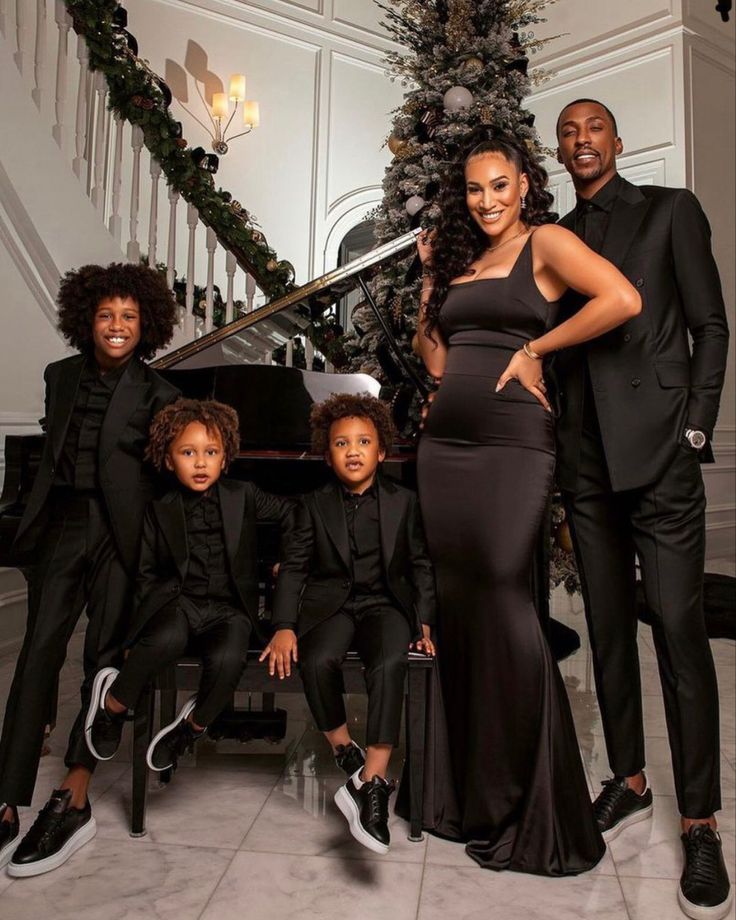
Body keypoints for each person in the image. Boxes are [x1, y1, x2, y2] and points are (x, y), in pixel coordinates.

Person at [414, 133, 641, 876]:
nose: (486, 201)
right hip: (444, 448)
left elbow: (621, 299)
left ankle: (536, 809)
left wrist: (538, 350)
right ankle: (468, 798)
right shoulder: (460, 264)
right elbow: (439, 359)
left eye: (499, 186)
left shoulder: (544, 242)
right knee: (461, 611)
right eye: (475, 189)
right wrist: (425, 285)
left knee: (509, 606)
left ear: (523, 185)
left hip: (513, 446)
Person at [554, 98, 731, 918]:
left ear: (617, 144)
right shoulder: (551, 237)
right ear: (557, 153)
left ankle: (700, 822)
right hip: (584, 462)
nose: (580, 140)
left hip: (661, 457)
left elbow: (711, 324)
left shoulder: (669, 212)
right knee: (608, 631)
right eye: (566, 131)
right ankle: (626, 779)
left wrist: (695, 428)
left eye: (592, 128)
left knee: (680, 632)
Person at [0, 263, 179, 876]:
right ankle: (7, 798)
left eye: (129, 316)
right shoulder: (59, 376)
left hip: (121, 538)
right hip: (62, 527)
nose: (117, 326)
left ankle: (74, 792)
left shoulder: (162, 396)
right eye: (106, 315)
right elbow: (47, 455)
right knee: (38, 656)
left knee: (101, 661)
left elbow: (164, 483)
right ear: (86, 320)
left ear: (147, 324)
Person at [84, 398, 294, 775]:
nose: (200, 462)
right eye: (188, 452)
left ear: (225, 457)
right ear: (168, 459)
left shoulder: (243, 494)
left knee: (230, 659)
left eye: (210, 452)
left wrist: (286, 559)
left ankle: (191, 728)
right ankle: (112, 705)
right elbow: (146, 575)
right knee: (164, 640)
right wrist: (135, 637)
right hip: (179, 603)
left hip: (230, 611)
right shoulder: (159, 507)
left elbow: (295, 516)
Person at [266, 393, 436, 855]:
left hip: (385, 605)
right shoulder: (310, 505)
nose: (354, 450)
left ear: (382, 451)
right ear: (328, 453)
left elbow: (420, 566)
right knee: (318, 659)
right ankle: (342, 746)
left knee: (388, 661)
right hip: (331, 605)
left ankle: (373, 780)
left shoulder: (406, 502)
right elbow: (295, 567)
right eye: (343, 444)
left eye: (364, 442)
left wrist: (424, 624)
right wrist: (283, 625)